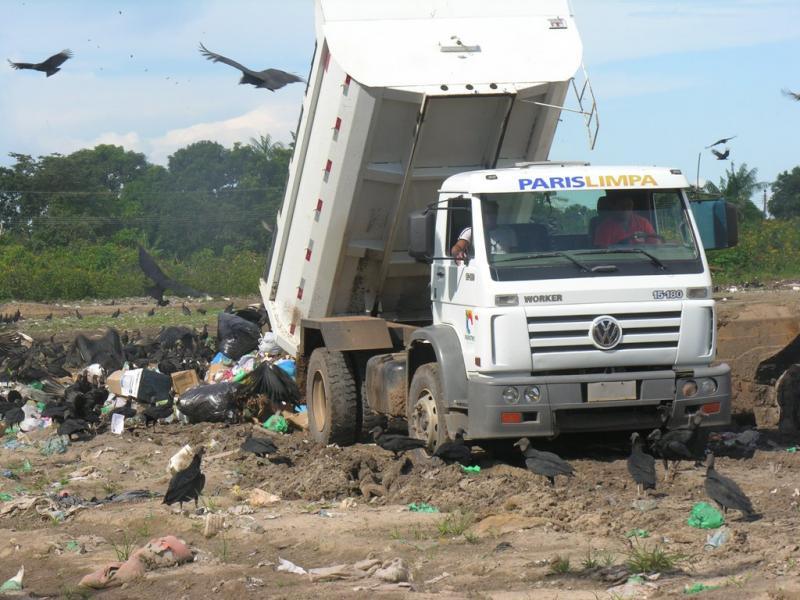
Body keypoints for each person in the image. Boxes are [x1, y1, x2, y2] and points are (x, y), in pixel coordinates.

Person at [450, 200, 517, 263]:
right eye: (487, 213)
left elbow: (515, 254)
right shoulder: (471, 231)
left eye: (493, 212)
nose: (490, 216)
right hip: (480, 266)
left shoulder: (508, 232)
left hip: (504, 264)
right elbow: (457, 247)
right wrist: (458, 253)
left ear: (497, 214)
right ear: (481, 214)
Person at [593, 195, 658, 247]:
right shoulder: (605, 227)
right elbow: (602, 252)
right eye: (622, 206)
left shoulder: (643, 223)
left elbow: (655, 245)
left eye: (629, 206)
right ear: (614, 208)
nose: (626, 209)